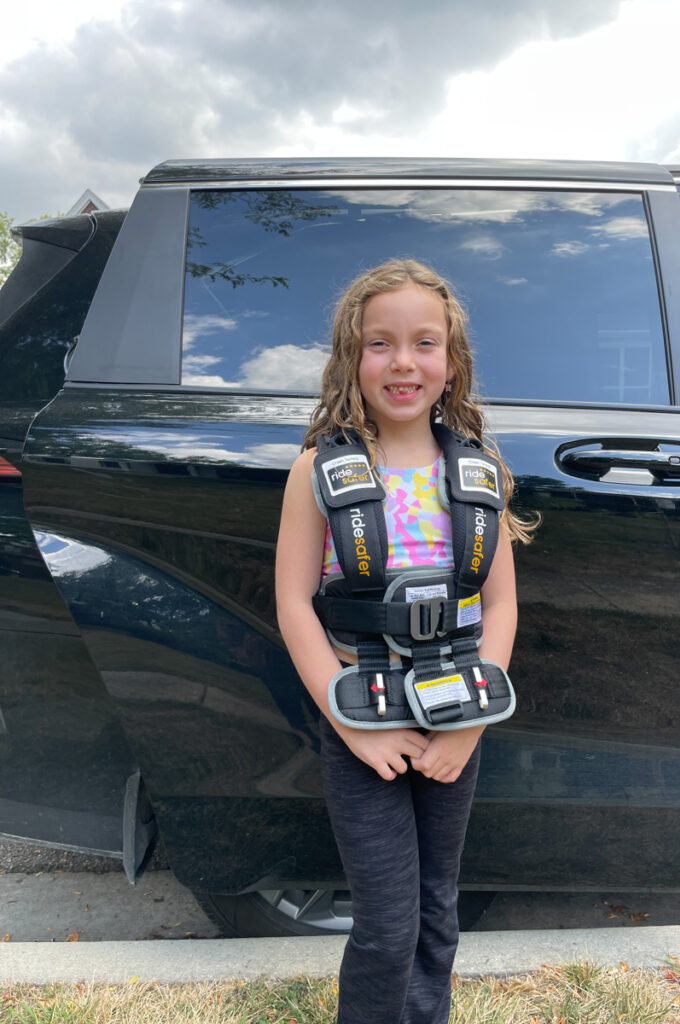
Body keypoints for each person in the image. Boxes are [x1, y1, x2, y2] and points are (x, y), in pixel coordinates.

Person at [275, 259, 535, 1024]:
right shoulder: (317, 474)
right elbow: (292, 602)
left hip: (457, 720)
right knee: (387, 928)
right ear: (351, 360)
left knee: (434, 916)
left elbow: (502, 605)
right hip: (362, 724)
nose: (403, 362)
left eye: (425, 343)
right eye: (380, 343)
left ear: (450, 362)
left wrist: (473, 724)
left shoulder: (479, 474)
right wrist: (352, 722)